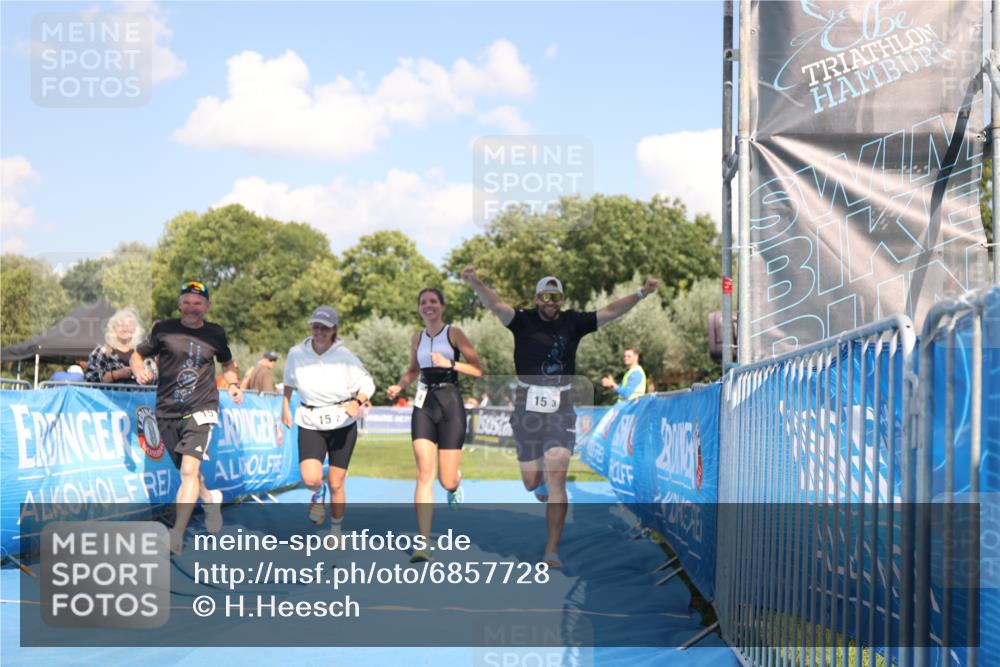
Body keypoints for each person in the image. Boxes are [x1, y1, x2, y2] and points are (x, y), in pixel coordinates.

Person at [462, 269, 660, 567]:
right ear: (536, 298)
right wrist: (476, 283)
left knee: (558, 475)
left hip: (561, 406)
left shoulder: (574, 322)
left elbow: (610, 311)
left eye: (555, 297)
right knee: (531, 481)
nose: (550, 302)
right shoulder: (522, 320)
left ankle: (551, 549)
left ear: (562, 299)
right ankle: (538, 484)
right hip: (526, 405)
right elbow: (496, 305)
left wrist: (641, 293)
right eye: (545, 296)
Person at [131, 280, 243, 554]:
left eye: (198, 303)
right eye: (187, 302)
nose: (192, 308)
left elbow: (228, 363)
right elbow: (137, 354)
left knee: (189, 471)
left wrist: (234, 384)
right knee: (189, 475)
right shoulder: (163, 328)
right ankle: (210, 498)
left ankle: (176, 535)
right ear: (180, 304)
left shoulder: (215, 333)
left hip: (202, 408)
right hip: (167, 411)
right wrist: (138, 371)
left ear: (207, 306)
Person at [387, 288, 483, 563]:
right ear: (418, 308)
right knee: (423, 473)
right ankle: (423, 542)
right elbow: (412, 369)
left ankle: (455, 485)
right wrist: (400, 385)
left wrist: (451, 363)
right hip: (423, 404)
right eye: (423, 303)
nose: (428, 306)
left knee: (446, 479)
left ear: (442, 306)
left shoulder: (454, 333)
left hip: (450, 402)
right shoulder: (416, 337)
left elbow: (477, 369)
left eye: (433, 302)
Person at [282, 306, 374, 537]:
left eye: (325, 327)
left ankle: (336, 530)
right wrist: (285, 407)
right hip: (310, 421)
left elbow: (368, 384)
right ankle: (317, 492)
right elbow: (288, 382)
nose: (319, 331)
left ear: (334, 330)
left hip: (342, 423)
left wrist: (357, 401)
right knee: (311, 478)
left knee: (336, 483)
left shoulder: (345, 356)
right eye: (316, 326)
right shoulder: (296, 353)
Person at [85, 307, 144, 384]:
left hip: (139, 395)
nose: (125, 329)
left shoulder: (142, 352)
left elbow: (156, 379)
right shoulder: (103, 350)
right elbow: (90, 377)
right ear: (113, 328)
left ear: (135, 328)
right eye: (120, 325)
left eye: (129, 325)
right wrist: (118, 374)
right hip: (108, 395)